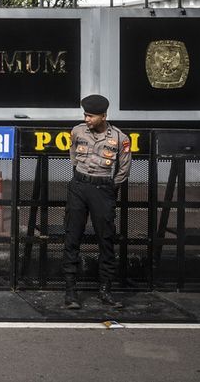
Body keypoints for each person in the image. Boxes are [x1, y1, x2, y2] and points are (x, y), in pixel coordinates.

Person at [63, 93, 132, 309]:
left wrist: (111, 189)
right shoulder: (77, 131)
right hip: (79, 186)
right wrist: (79, 176)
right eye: (85, 115)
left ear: (103, 116)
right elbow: (73, 154)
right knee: (72, 237)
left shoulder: (120, 138)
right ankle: (70, 291)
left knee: (106, 239)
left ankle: (105, 290)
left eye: (91, 116)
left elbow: (123, 169)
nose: (86, 120)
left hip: (103, 189)